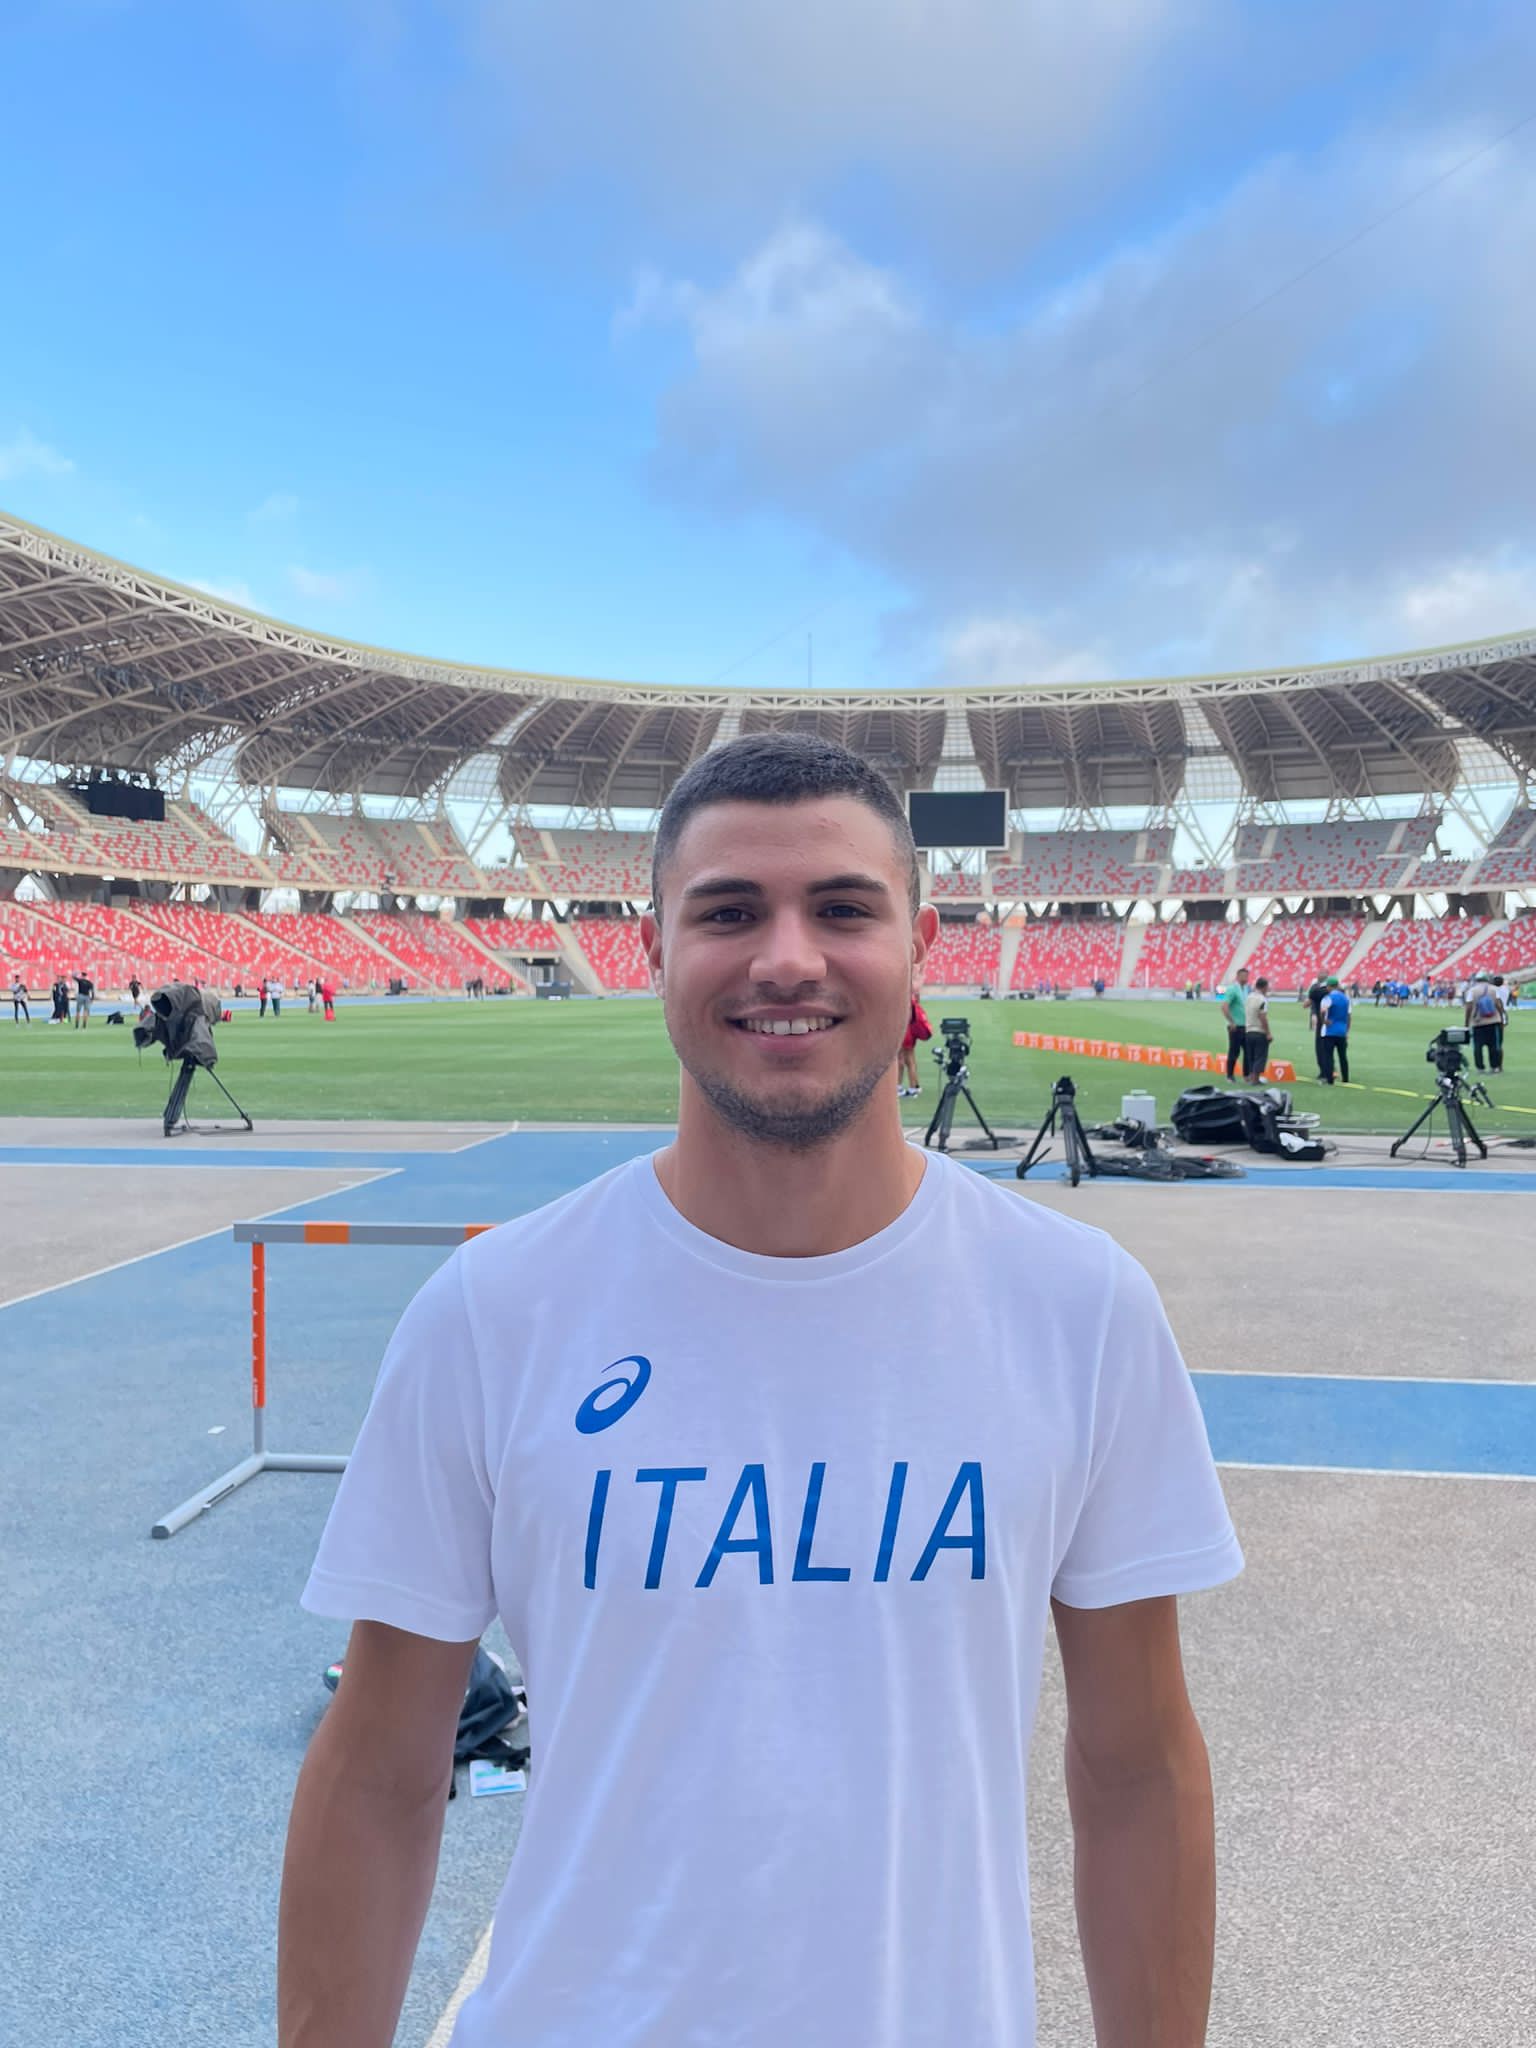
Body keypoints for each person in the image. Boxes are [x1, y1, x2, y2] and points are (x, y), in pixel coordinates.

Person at [280, 733, 1243, 2048]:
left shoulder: (1079, 1308)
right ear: (652, 949)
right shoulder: (494, 1311)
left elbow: (1137, 1767)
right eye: (728, 912)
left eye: (843, 908)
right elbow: (381, 1767)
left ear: (921, 945)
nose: (787, 958)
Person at [1464, 974, 1506, 1074]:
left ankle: (1480, 1067)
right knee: (1494, 1046)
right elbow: (1498, 1004)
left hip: (1478, 1022)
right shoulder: (1494, 989)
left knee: (1477, 1047)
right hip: (1493, 1021)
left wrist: (1467, 1022)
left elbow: (1469, 1007)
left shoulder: (1472, 991)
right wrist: (1501, 1018)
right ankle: (1494, 1067)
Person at [897, 990, 931, 1097]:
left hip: (904, 1033)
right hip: (910, 1033)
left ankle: (898, 1087)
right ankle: (914, 1086)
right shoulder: (912, 1000)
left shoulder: (904, 1001)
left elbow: (906, 1018)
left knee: (900, 1061)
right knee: (910, 1060)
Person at [1318, 975, 1351, 1084]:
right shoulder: (1346, 998)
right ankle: (1345, 1078)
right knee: (1343, 1056)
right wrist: (1347, 1030)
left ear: (1329, 986)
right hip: (1342, 1031)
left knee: (1328, 1056)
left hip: (1330, 1031)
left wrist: (1324, 1021)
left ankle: (1329, 1079)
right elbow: (1349, 1016)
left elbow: (1323, 1010)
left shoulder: (1328, 998)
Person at [1219, 965, 1250, 1080]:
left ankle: (1247, 1075)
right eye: (1243, 976)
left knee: (1248, 1051)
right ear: (1238, 976)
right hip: (1236, 1026)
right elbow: (1224, 1006)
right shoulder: (1232, 989)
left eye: (1246, 976)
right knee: (1234, 1051)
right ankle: (1230, 1075)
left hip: (1246, 1025)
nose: (1245, 978)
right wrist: (1231, 1021)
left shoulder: (1246, 989)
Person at [1243, 973, 1272, 1080]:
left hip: (1248, 1030)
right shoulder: (1262, 1000)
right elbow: (1262, 1017)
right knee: (1260, 1056)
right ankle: (1255, 1078)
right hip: (1258, 1030)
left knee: (1251, 1055)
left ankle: (1251, 1076)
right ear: (1264, 987)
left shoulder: (1249, 997)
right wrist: (1268, 1033)